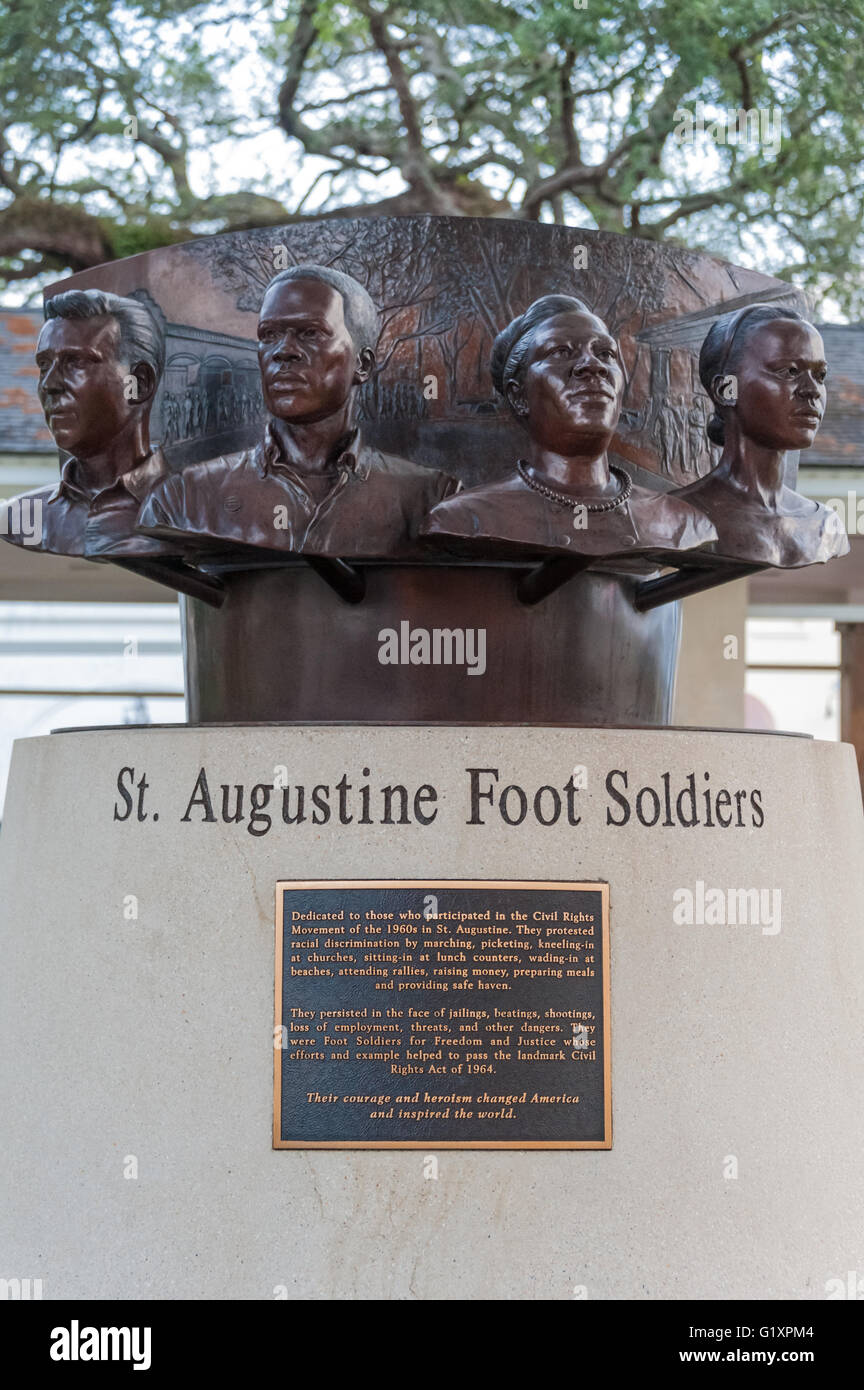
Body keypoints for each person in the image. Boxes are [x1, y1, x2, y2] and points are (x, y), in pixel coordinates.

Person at [136, 265, 460, 559]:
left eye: (310, 333)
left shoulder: (433, 497)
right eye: (269, 335)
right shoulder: (182, 500)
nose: (284, 351)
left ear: (362, 364)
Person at [420, 294, 716, 561]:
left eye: (605, 354)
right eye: (561, 351)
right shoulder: (466, 519)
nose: (593, 366)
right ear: (519, 395)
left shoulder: (684, 523)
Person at [1, 289, 175, 558]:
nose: (50, 384)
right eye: (44, 365)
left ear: (138, 383)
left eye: (75, 362)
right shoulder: (20, 518)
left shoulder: (193, 510)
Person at [674, 303, 849, 567]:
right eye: (789, 371)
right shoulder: (674, 516)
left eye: (820, 375)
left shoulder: (825, 525)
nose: (811, 390)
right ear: (726, 390)